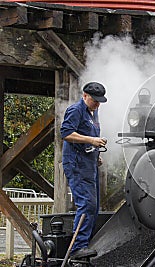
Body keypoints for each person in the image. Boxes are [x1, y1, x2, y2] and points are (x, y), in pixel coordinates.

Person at [60, 82, 107, 259]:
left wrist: (96, 154)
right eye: (95, 100)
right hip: (77, 165)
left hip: (89, 164)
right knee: (86, 203)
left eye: (100, 101)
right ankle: (77, 248)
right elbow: (66, 133)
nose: (97, 104)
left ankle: (85, 243)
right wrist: (91, 140)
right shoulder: (75, 110)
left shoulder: (94, 112)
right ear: (85, 96)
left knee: (94, 206)